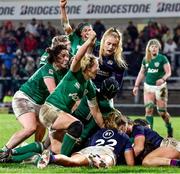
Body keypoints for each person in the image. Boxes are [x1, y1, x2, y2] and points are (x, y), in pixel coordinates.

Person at [39, 30, 104, 157]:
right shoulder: (75, 72)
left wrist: (105, 128)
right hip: (50, 110)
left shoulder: (89, 87)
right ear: (88, 67)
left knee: (52, 150)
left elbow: (96, 112)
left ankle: (11, 155)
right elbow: (79, 57)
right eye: (97, 66)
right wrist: (89, 42)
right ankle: (63, 161)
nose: (99, 69)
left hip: (59, 115)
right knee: (76, 126)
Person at [0, 44, 70, 160]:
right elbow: (53, 92)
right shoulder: (48, 68)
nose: (66, 59)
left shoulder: (63, 71)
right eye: (63, 56)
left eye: (67, 56)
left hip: (40, 104)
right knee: (31, 128)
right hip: (24, 98)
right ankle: (4, 151)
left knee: (45, 128)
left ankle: (33, 153)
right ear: (55, 57)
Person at [36, 111, 134, 169]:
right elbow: (130, 163)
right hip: (107, 152)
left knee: (72, 161)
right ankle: (101, 161)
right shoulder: (124, 136)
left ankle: (53, 158)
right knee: (108, 160)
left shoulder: (98, 132)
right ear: (121, 126)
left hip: (90, 149)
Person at [132, 38, 173, 137]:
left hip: (161, 88)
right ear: (149, 48)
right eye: (152, 46)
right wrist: (136, 85)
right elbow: (141, 72)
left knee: (162, 112)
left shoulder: (162, 58)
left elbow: (168, 72)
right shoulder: (146, 59)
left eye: (156, 46)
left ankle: (169, 127)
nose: (154, 48)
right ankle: (151, 134)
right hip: (148, 87)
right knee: (149, 109)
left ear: (158, 48)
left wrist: (163, 79)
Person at [72, 77, 119, 150]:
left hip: (73, 120)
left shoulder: (92, 90)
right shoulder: (106, 105)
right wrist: (82, 137)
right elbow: (93, 123)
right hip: (82, 129)